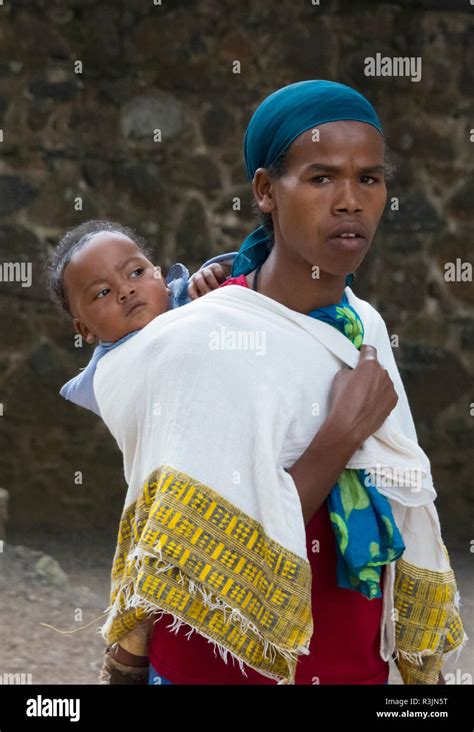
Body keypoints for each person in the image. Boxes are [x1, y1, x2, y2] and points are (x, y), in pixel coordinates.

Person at [90, 81, 466, 686]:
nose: (350, 201)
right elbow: (204, 553)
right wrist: (340, 436)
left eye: (368, 179)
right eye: (321, 178)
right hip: (218, 669)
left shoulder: (362, 325)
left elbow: (404, 508)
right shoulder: (204, 339)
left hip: (353, 663)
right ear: (265, 191)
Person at [45, 219, 237, 417]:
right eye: (103, 292)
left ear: (161, 278)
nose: (126, 291)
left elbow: (254, 283)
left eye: (136, 272)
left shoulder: (194, 294)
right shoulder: (107, 375)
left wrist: (220, 273)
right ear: (86, 330)